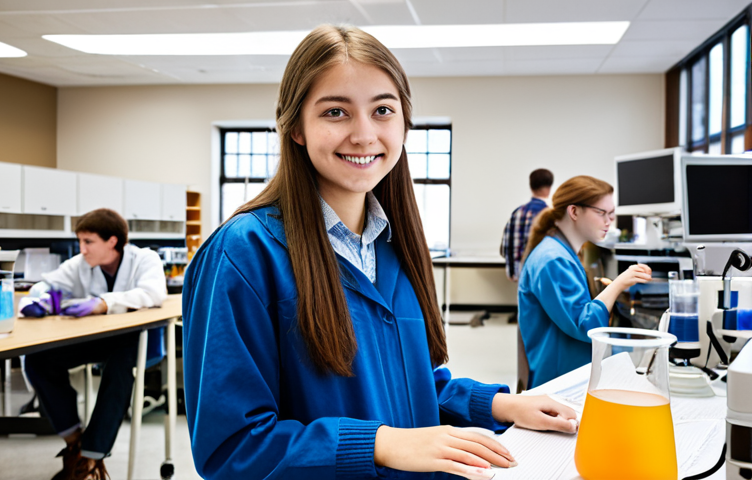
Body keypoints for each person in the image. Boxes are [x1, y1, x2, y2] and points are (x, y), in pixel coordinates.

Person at [182, 25, 578, 480]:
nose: (364, 135)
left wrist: (496, 404)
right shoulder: (244, 253)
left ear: (404, 123)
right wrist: (380, 443)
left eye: (383, 110)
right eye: (335, 112)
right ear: (295, 127)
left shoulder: (394, 246)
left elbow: (407, 383)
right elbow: (231, 448)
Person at [23, 208, 167, 480]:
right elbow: (45, 285)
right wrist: (40, 299)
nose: (82, 249)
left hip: (141, 340)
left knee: (119, 367)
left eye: (88, 242)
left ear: (112, 241)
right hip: (100, 339)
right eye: (80, 241)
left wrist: (104, 303)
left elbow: (153, 293)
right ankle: (74, 442)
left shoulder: (144, 258)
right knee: (38, 359)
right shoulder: (81, 263)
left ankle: (90, 461)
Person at [518, 176, 652, 389]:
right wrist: (617, 284)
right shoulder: (554, 260)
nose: (609, 221)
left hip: (564, 374)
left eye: (612, 214)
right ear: (574, 212)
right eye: (601, 213)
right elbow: (585, 324)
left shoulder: (560, 251)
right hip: (558, 382)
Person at [500, 168, 554, 282]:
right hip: (542, 275)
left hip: (519, 275)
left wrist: (513, 270)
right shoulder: (550, 215)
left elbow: (505, 248)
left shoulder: (517, 213)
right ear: (549, 187)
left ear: (531, 186)